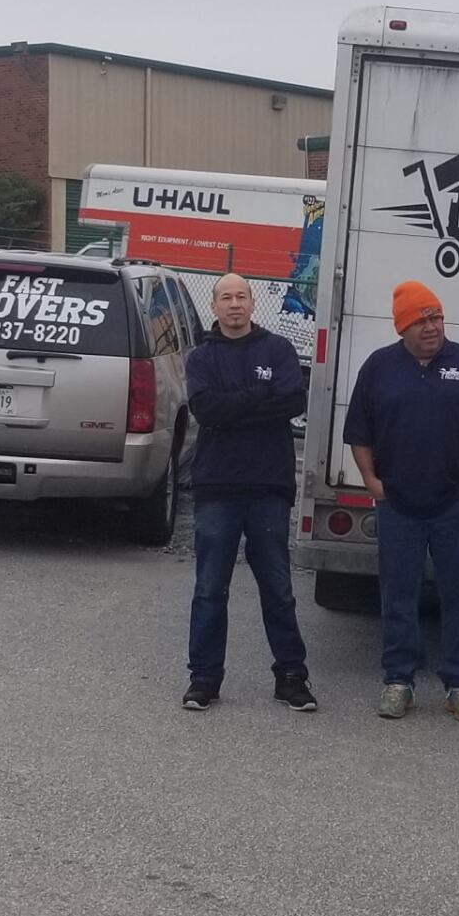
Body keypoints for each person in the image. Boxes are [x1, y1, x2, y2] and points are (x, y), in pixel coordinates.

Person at [344, 280, 459, 722]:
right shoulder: (379, 368)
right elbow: (359, 433)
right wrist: (371, 482)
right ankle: (400, 681)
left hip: (455, 503)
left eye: (435, 316)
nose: (431, 326)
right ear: (402, 328)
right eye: (420, 320)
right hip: (397, 504)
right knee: (398, 595)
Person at [181, 274, 316, 712]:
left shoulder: (276, 349)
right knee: (209, 589)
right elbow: (206, 409)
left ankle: (291, 677)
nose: (234, 304)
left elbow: (293, 401)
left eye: (241, 296)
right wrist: (261, 395)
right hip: (216, 486)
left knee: (277, 586)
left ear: (253, 302)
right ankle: (204, 680)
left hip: (267, 487)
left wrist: (235, 404)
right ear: (215, 306)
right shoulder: (202, 357)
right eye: (226, 298)